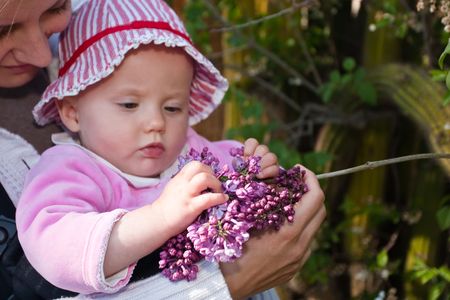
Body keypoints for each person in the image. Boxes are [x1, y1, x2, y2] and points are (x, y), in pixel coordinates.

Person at [0, 0, 326, 299]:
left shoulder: (191, 150)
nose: (156, 122)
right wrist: (160, 217)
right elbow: (56, 248)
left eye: (172, 108)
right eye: (129, 104)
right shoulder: (70, 169)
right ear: (71, 112)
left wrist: (262, 179)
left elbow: (248, 194)